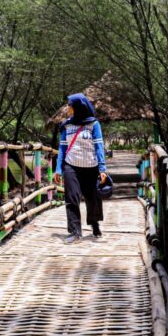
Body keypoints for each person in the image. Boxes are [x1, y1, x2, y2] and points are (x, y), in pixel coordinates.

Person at [53, 93, 108, 244]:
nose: (68, 108)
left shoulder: (93, 124)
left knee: (92, 199)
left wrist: (102, 168)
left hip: (91, 167)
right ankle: (75, 232)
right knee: (71, 199)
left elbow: (99, 146)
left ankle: (94, 223)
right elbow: (62, 149)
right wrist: (58, 169)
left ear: (78, 107)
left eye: (70, 105)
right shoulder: (66, 125)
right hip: (71, 166)